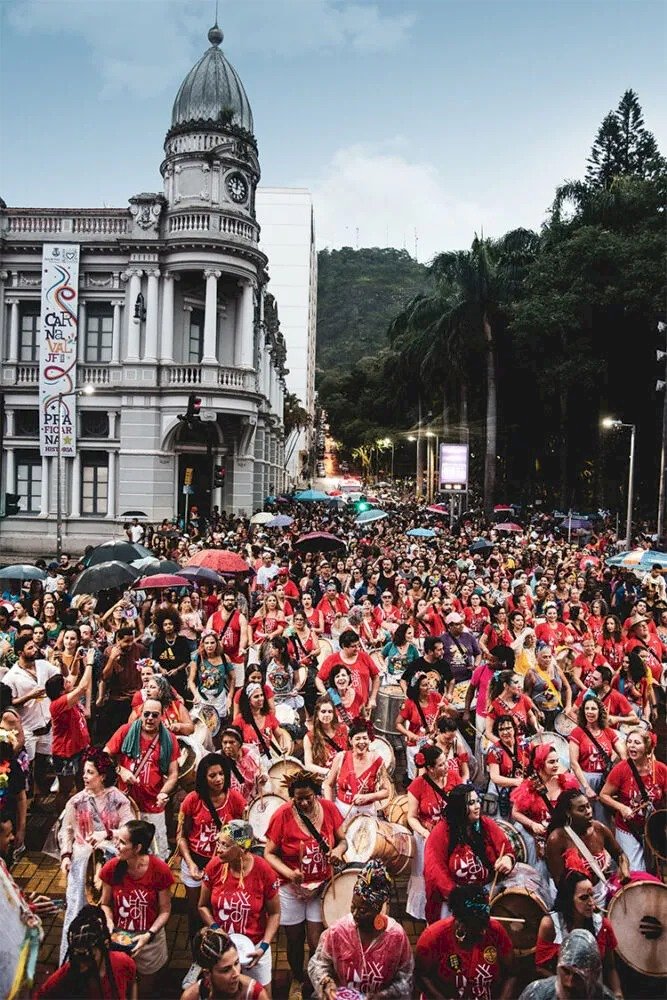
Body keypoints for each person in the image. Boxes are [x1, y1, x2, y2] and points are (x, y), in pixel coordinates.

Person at [264, 772, 347, 1000]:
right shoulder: (282, 815)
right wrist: (290, 873)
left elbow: (343, 840)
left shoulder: (329, 809)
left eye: (308, 797)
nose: (304, 803)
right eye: (298, 799)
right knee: (293, 939)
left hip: (320, 887)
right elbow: (268, 853)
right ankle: (297, 978)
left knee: (315, 940)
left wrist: (338, 852)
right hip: (291, 889)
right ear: (292, 797)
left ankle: (314, 978)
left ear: (316, 794)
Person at [58, 747, 136, 962]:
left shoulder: (118, 798)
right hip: (83, 864)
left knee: (113, 908)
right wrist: (66, 855)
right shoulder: (76, 801)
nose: (84, 776)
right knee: (76, 908)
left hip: (112, 861)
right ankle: (71, 957)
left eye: (90, 772)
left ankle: (114, 955)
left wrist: (107, 835)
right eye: (84, 772)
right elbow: (67, 830)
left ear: (102, 776)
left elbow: (129, 828)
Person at [308, 859, 414, 998]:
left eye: (363, 910)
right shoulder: (338, 931)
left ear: (378, 909)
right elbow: (318, 964)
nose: (355, 914)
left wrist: (383, 996)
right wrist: (326, 983)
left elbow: (406, 978)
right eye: (353, 906)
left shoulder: (396, 936)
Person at [198, 819, 280, 995]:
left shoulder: (264, 871)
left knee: (260, 994)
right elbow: (202, 906)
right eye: (218, 842)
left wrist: (263, 947)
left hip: (254, 950)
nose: (218, 848)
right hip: (223, 951)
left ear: (242, 849)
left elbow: (274, 913)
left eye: (225, 845)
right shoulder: (214, 866)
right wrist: (216, 929)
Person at [99, 819, 174, 996]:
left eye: (122, 842)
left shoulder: (159, 870)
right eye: (117, 839)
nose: (116, 845)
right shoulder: (111, 867)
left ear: (138, 848)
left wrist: (149, 935)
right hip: (119, 940)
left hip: (149, 943)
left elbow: (165, 910)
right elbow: (104, 903)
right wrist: (109, 922)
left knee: (145, 992)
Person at [423, 783, 515, 922]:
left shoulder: (486, 824)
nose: (478, 806)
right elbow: (434, 869)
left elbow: (506, 849)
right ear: (460, 807)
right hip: (454, 902)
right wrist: (457, 896)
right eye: (471, 803)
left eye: (478, 801)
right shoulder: (441, 832)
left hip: (487, 895)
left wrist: (507, 859)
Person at [178, 754, 247, 939]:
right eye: (212, 775)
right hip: (196, 862)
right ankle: (196, 949)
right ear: (203, 778)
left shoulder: (235, 799)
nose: (218, 779)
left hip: (222, 865)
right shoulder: (192, 800)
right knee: (195, 910)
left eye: (221, 774)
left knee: (220, 907)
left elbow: (244, 836)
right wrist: (190, 863)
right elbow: (182, 836)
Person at [105, 697, 180, 860]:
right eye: (147, 714)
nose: (150, 719)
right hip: (127, 804)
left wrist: (164, 792)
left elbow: (173, 773)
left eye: (155, 715)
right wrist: (120, 770)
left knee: (156, 853)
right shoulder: (126, 731)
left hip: (153, 805)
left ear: (162, 716)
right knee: (124, 849)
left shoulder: (169, 739)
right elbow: (104, 756)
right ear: (140, 714)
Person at [415, 884, 516, 1000]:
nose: (483, 932)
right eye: (477, 928)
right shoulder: (433, 937)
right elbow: (421, 976)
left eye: (484, 926)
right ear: (461, 925)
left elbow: (511, 974)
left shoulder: (494, 930)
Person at [544, 789, 630, 907]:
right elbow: (559, 882)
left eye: (588, 806)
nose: (588, 811)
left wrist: (624, 869)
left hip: (599, 895)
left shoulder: (599, 829)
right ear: (568, 813)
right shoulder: (557, 840)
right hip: (572, 900)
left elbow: (619, 854)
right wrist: (584, 899)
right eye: (581, 809)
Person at [35, 904, 138, 999]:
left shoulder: (123, 963)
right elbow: (41, 995)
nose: (81, 965)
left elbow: (133, 982)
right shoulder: (68, 973)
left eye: (88, 957)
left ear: (105, 945)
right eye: (78, 956)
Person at [599, 728, 667, 869]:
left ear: (647, 747)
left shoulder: (660, 769)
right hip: (628, 829)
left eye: (637, 742)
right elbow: (603, 795)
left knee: (654, 870)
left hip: (653, 829)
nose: (631, 746)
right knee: (636, 869)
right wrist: (622, 807)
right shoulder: (621, 769)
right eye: (629, 742)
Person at [2, 633, 59, 799]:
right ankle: (28, 800)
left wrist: (61, 662)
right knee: (28, 766)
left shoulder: (42, 664)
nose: (35, 650)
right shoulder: (11, 677)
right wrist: (30, 696)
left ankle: (39, 795)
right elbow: (9, 703)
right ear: (20, 652)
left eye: (34, 646)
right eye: (30, 648)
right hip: (28, 728)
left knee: (42, 763)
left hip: (46, 725)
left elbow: (59, 675)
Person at [511, 745, 580, 869]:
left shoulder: (566, 782)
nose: (556, 765)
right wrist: (532, 824)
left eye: (557, 761)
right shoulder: (529, 786)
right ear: (540, 764)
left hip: (563, 839)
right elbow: (515, 813)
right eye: (551, 762)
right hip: (540, 843)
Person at [406, 743, 449, 921]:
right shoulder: (417, 785)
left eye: (446, 762)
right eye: (441, 765)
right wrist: (425, 833)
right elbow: (411, 817)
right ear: (430, 768)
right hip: (427, 838)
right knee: (427, 876)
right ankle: (426, 914)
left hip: (449, 837)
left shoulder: (453, 778)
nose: (446, 766)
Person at [45, 652, 93, 811]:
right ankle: (60, 817)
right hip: (66, 752)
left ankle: (83, 813)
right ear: (60, 691)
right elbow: (83, 686)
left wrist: (78, 661)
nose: (69, 681)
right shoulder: (58, 704)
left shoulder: (65, 694)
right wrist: (90, 664)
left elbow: (72, 674)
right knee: (65, 789)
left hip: (80, 747)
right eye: (65, 682)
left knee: (83, 782)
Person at [568, 695, 625, 823]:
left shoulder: (608, 731)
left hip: (605, 780)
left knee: (603, 819)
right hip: (584, 778)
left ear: (600, 711)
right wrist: (586, 787)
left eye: (593, 708)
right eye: (587, 708)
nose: (589, 712)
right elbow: (574, 763)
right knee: (583, 818)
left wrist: (616, 774)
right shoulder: (577, 732)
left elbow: (624, 755)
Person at [518, 928, 617, 1000]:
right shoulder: (537, 994)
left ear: (593, 974)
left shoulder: (605, 997)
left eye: (578, 976)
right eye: (566, 971)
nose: (570, 983)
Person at [321, 718, 392, 818]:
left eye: (365, 738)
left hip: (367, 812)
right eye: (357, 739)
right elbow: (329, 784)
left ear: (369, 740)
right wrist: (330, 808)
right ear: (350, 740)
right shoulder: (341, 758)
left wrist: (367, 797)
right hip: (343, 810)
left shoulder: (377, 760)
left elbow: (386, 791)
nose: (362, 742)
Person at [180, 928, 269, 1000]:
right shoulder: (191, 997)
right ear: (207, 973)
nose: (236, 974)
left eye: (236, 963)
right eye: (226, 970)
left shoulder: (256, 995)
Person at [315, 629, 380, 716]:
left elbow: (376, 677)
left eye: (358, 645)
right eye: (353, 646)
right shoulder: (332, 659)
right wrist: (325, 693)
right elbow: (318, 679)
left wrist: (373, 698)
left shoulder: (364, 657)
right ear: (343, 646)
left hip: (362, 708)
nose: (357, 649)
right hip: (340, 709)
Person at [98, 627, 144, 747]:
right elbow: (104, 677)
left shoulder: (139, 649)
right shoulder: (109, 651)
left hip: (136, 698)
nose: (130, 644)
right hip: (117, 698)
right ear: (118, 640)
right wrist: (112, 659)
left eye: (131, 640)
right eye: (126, 641)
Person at [396, 671, 443, 778]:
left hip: (434, 742)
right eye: (424, 685)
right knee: (417, 777)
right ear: (417, 688)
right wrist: (409, 734)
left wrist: (446, 708)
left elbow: (452, 713)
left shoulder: (436, 697)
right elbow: (398, 724)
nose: (428, 687)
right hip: (416, 745)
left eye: (428, 684)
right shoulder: (410, 703)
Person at [485, 714, 530, 818]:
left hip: (521, 792)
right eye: (501, 729)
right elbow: (495, 777)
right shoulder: (494, 750)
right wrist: (516, 782)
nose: (505, 732)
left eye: (508, 728)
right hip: (501, 794)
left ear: (514, 728)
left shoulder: (524, 744)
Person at [232, 683, 290, 761]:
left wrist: (282, 746)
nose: (260, 698)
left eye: (261, 695)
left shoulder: (268, 715)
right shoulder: (240, 720)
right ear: (249, 700)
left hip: (267, 758)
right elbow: (232, 742)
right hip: (248, 761)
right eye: (256, 696)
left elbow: (279, 734)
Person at [188, 632, 236, 726]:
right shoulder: (197, 658)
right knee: (200, 724)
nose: (209, 646)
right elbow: (191, 680)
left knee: (219, 724)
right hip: (202, 696)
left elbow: (233, 678)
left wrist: (230, 696)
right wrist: (195, 694)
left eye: (212, 643)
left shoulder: (224, 658)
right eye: (207, 643)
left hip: (219, 697)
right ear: (202, 644)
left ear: (217, 644)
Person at [206, 589, 249, 689]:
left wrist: (242, 648)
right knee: (217, 685)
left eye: (232, 600)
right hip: (218, 657)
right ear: (222, 601)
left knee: (238, 687)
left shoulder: (240, 617)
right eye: (227, 600)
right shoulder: (214, 616)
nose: (229, 602)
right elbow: (207, 634)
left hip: (235, 657)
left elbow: (244, 636)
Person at [129, 671, 195, 736]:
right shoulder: (139, 709)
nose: (148, 690)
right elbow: (129, 730)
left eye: (152, 687)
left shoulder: (177, 706)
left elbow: (191, 728)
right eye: (147, 687)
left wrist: (180, 726)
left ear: (162, 691)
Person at [485, 668, 540, 741]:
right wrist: (503, 745)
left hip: (524, 742)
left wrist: (536, 727)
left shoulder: (522, 698)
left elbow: (530, 716)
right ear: (506, 685)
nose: (519, 686)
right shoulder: (495, 706)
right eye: (516, 682)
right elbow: (488, 733)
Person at [151, 609, 193, 699]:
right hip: (163, 678)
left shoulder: (182, 640)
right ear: (161, 627)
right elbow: (154, 660)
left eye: (170, 624)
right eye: (165, 625)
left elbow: (187, 660)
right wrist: (161, 669)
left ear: (175, 625)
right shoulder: (158, 641)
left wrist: (177, 669)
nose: (168, 627)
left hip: (179, 678)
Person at [303, 695, 349, 777]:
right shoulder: (309, 737)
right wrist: (329, 772)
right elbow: (308, 765)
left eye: (330, 711)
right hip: (324, 777)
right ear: (317, 713)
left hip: (345, 775)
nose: (327, 714)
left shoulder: (344, 729)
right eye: (323, 711)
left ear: (334, 713)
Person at [219, 724, 268, 801]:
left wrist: (263, 777)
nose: (227, 746)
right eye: (225, 742)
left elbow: (262, 771)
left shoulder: (251, 755)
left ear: (240, 743)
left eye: (232, 742)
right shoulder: (219, 761)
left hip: (256, 798)